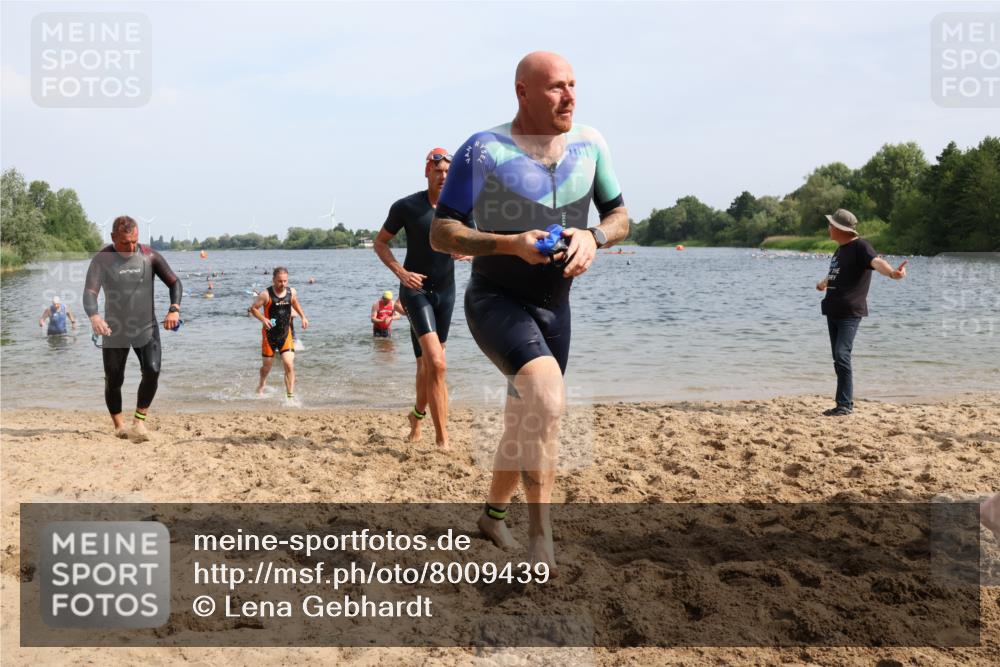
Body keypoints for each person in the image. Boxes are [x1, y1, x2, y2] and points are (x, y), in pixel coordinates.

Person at [430, 52, 629, 570]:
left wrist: (595, 236)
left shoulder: (591, 144)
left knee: (525, 422)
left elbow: (620, 217)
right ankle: (542, 534)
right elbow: (443, 230)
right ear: (522, 92)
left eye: (572, 85)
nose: (569, 96)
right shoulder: (484, 149)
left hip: (555, 307)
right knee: (545, 398)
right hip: (495, 299)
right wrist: (509, 243)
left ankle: (492, 518)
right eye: (555, 88)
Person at [374, 147, 465, 449]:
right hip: (414, 291)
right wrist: (400, 272)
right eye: (437, 171)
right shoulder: (407, 207)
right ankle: (443, 440)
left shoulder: (460, 207)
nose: (443, 176)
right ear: (427, 172)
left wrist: (468, 250)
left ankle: (416, 417)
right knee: (437, 364)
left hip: (446, 293)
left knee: (426, 366)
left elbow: (479, 241)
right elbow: (381, 243)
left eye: (448, 172)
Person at [83, 216, 182, 442]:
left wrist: (174, 308)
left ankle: (139, 422)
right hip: (114, 329)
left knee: (153, 369)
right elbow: (90, 293)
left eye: (134, 241)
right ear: (113, 238)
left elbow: (175, 283)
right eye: (125, 242)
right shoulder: (102, 260)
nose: (131, 247)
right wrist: (94, 316)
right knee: (114, 379)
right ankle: (119, 426)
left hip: (145, 325)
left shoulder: (150, 256)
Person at [816, 209, 907, 416]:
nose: (828, 228)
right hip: (833, 310)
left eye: (831, 225)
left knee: (842, 354)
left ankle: (845, 405)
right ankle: (842, 403)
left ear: (840, 228)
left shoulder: (860, 246)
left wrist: (893, 273)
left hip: (850, 312)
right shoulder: (840, 249)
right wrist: (822, 283)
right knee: (837, 358)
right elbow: (836, 274)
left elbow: (876, 262)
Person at [249, 267, 308, 404]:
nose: (283, 284)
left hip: (285, 334)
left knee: (289, 364)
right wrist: (263, 319)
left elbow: (295, 303)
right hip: (269, 335)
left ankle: (290, 396)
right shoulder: (266, 294)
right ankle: (262, 384)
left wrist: (303, 317)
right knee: (266, 367)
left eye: (285, 281)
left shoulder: (291, 292)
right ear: (274, 280)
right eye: (280, 281)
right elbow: (253, 309)